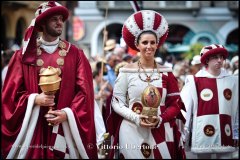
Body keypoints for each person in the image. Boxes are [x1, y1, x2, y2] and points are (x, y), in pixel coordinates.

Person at [1, 1, 106, 159]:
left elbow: (84, 93)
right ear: (42, 23)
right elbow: (10, 95)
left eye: (61, 19)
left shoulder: (75, 54)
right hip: (34, 129)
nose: (59, 23)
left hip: (65, 127)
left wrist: (67, 114)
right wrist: (35, 99)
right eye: (54, 19)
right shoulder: (23, 55)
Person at [107, 10, 186, 159]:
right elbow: (117, 103)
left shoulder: (167, 73)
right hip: (131, 129)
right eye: (145, 42)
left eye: (152, 42)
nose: (149, 46)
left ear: (157, 45)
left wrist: (161, 118)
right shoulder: (126, 71)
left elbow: (175, 105)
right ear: (137, 45)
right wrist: (136, 118)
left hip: (161, 130)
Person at [180, 44, 239, 159]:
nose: (220, 60)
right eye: (215, 57)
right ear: (206, 60)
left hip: (226, 133)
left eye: (222, 57)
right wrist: (183, 133)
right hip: (202, 133)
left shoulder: (233, 81)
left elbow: (236, 109)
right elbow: (185, 108)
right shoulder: (194, 81)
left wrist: (236, 133)